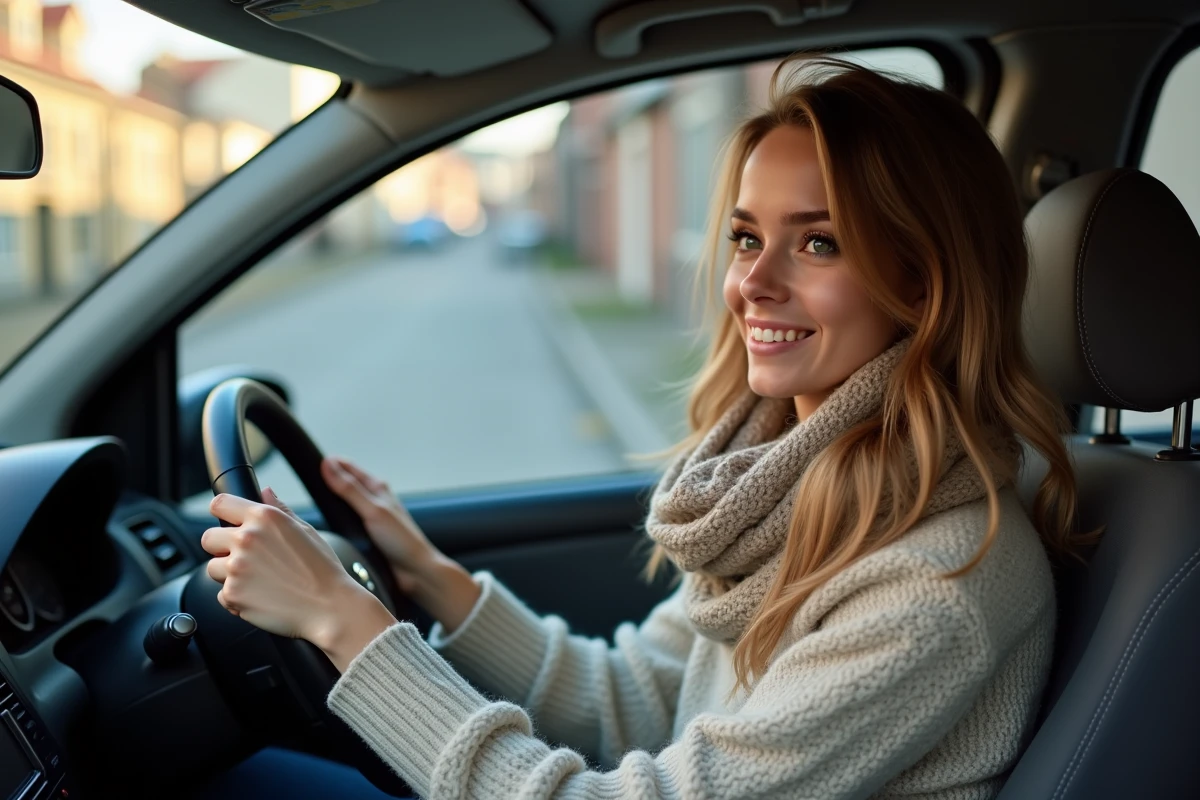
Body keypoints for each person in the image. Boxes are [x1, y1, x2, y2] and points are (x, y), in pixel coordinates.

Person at [198, 55, 1087, 799]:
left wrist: (345, 623)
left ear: (925, 284)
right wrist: (427, 575)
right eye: (747, 238)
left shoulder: (941, 582)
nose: (754, 283)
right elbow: (635, 699)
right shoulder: (793, 484)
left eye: (820, 243)